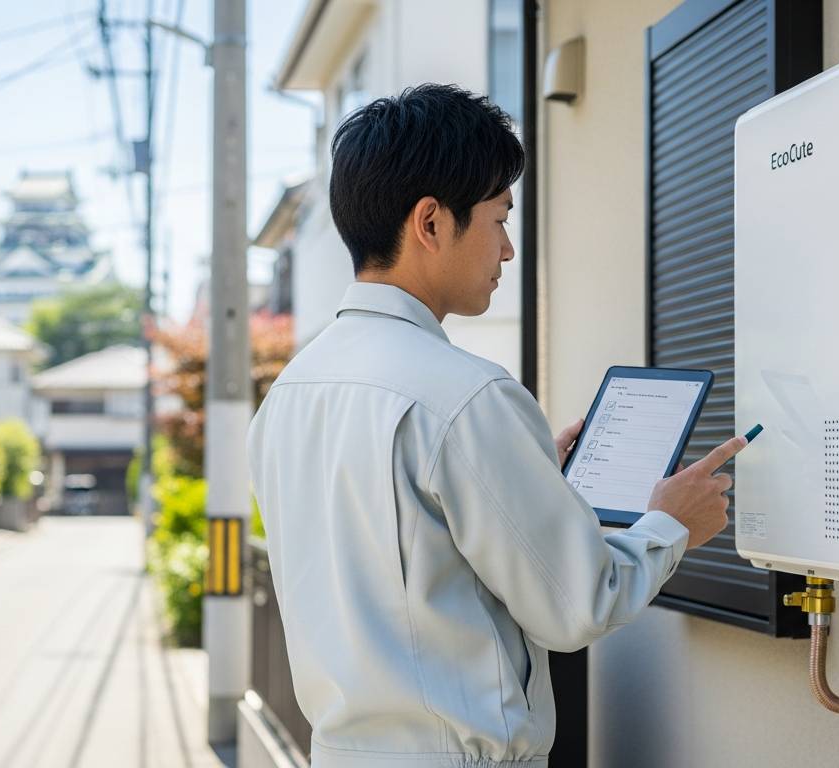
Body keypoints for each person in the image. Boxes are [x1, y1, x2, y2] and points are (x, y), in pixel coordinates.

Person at [246, 83, 745, 768]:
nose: (507, 250)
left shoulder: (289, 395)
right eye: (499, 219)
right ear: (431, 223)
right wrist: (671, 524)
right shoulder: (465, 396)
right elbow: (575, 604)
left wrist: (526, 466)